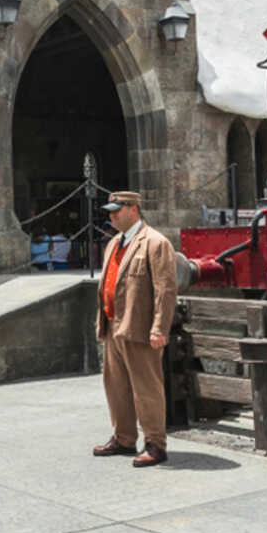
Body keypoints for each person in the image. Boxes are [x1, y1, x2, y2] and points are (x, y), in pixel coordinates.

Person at [92, 191, 178, 467]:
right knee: (115, 386)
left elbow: (165, 290)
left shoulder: (155, 242)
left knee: (146, 387)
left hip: (139, 326)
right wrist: (102, 323)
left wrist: (159, 328)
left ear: (134, 209)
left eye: (117, 210)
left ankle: (155, 443)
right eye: (110, 210)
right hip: (113, 324)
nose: (112, 215)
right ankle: (124, 438)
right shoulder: (114, 243)